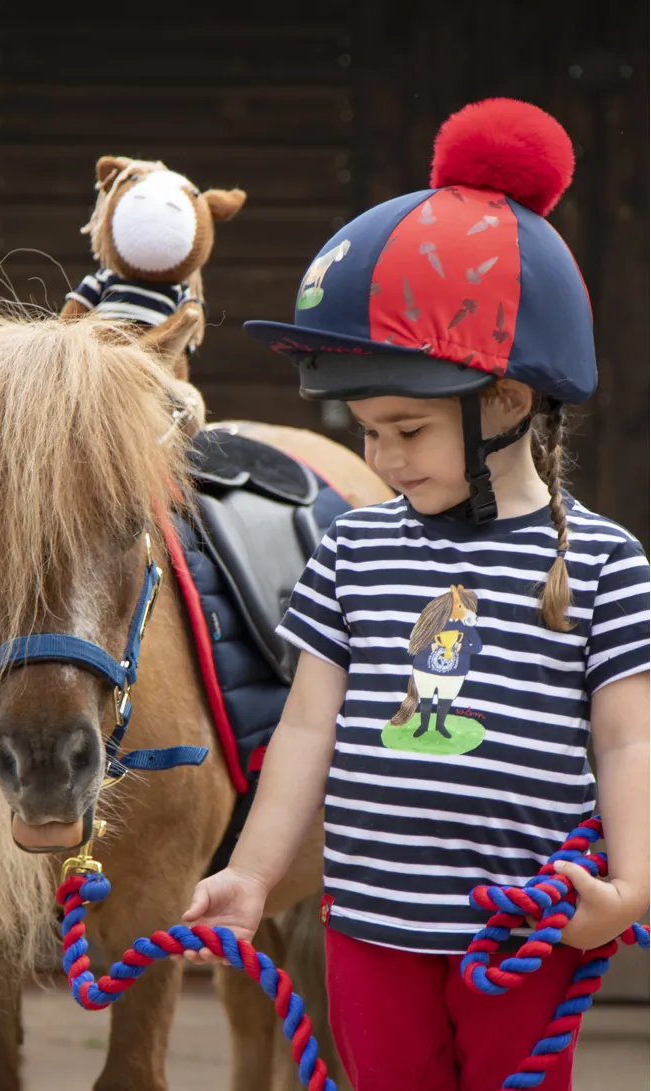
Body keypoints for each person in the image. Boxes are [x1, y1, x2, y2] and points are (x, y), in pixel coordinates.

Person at [181, 97, 650, 1091]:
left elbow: (626, 739)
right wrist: (254, 872)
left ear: (507, 402)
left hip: (521, 927)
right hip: (370, 928)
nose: (382, 455)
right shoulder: (353, 548)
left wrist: (629, 887)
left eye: (407, 427)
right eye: (366, 429)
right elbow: (306, 727)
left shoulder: (606, 564)